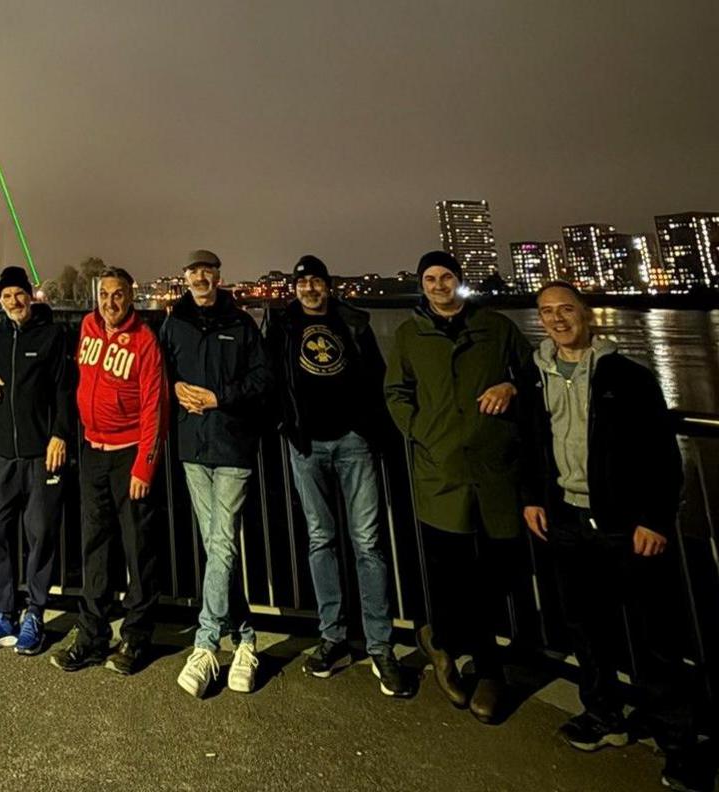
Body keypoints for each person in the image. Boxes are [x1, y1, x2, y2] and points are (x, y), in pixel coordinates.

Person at [523, 282, 710, 792]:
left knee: (654, 638)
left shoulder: (628, 376)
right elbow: (533, 442)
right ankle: (604, 716)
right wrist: (534, 496)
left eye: (566, 310)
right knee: (585, 627)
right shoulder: (532, 375)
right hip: (564, 519)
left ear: (586, 315)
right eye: (547, 312)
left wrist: (654, 516)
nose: (558, 320)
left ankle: (679, 744)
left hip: (623, 524)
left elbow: (661, 452)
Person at [384, 250, 534, 723]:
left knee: (500, 571)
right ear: (421, 285)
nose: (438, 285)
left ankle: (480, 659)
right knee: (448, 570)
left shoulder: (496, 328)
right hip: (439, 471)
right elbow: (396, 392)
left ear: (459, 282)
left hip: (494, 471)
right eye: (429, 278)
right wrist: (420, 430)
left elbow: (531, 372)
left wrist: (511, 388)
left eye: (446, 277)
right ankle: (452, 649)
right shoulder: (411, 334)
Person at [265, 255, 410, 697]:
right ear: (295, 288)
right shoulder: (281, 326)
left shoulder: (353, 322)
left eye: (316, 281)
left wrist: (370, 428)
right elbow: (270, 377)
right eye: (303, 282)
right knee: (321, 538)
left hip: (354, 441)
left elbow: (377, 377)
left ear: (328, 286)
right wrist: (286, 425)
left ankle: (380, 644)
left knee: (368, 542)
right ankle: (333, 636)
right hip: (306, 444)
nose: (309, 288)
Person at [158, 250, 268, 697]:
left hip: (232, 446)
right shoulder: (172, 323)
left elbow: (263, 380)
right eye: (194, 271)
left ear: (218, 277)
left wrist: (219, 399)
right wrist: (172, 386)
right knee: (217, 546)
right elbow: (158, 370)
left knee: (220, 544)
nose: (201, 277)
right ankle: (245, 638)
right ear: (185, 278)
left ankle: (205, 645)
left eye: (208, 271)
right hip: (191, 448)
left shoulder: (241, 324)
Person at [50, 266, 168, 676]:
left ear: (131, 297)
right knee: (94, 548)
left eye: (118, 295)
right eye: (104, 295)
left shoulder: (146, 342)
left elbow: (155, 408)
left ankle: (136, 637)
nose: (110, 303)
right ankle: (92, 636)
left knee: (139, 550)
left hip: (128, 455)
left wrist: (144, 468)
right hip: (92, 453)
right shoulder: (86, 327)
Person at [0, 266, 75, 655]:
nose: (14, 301)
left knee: (40, 535)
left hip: (41, 454)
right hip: (4, 454)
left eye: (20, 293)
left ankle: (35, 614)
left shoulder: (51, 335)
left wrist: (60, 434)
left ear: (31, 296)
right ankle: (2, 613)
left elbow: (65, 389)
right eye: (7, 295)